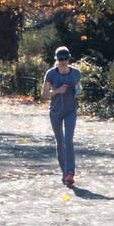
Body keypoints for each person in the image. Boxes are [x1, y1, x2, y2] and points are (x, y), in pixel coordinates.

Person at [42, 46, 81, 187]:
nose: (64, 62)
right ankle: (64, 172)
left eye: (66, 59)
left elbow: (78, 87)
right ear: (56, 60)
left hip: (71, 110)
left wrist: (78, 91)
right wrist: (57, 90)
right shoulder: (51, 74)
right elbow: (44, 93)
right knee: (60, 142)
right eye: (61, 59)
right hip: (56, 112)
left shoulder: (76, 73)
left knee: (69, 140)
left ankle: (70, 172)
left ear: (69, 59)